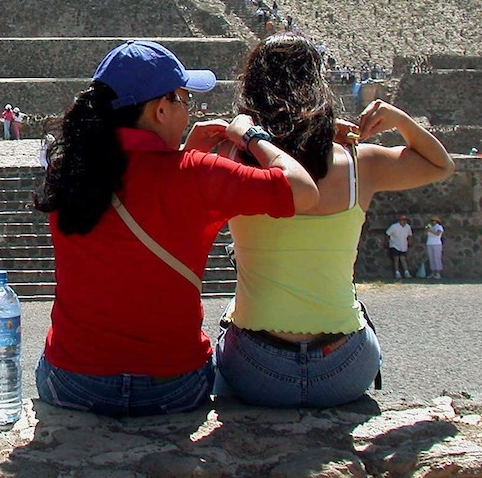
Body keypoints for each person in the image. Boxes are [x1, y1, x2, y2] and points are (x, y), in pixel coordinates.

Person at [33, 39, 321, 416]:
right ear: (160, 109)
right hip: (172, 386)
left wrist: (183, 153)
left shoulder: (68, 171)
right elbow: (303, 191)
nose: (190, 111)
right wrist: (253, 136)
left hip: (74, 381)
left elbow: (141, 188)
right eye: (185, 100)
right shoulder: (198, 174)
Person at [217, 37, 455, 408]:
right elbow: (441, 165)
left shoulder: (229, 158)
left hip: (257, 371)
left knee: (228, 323)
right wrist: (396, 118)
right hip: (343, 368)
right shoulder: (361, 163)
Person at [385, 215, 413, 279]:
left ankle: (406, 272)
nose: (404, 221)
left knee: (403, 258)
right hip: (394, 245)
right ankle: (397, 273)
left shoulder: (407, 227)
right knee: (396, 259)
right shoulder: (394, 227)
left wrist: (410, 242)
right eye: (402, 220)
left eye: (405, 220)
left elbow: (410, 235)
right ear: (400, 220)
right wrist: (386, 242)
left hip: (403, 245)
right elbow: (387, 234)